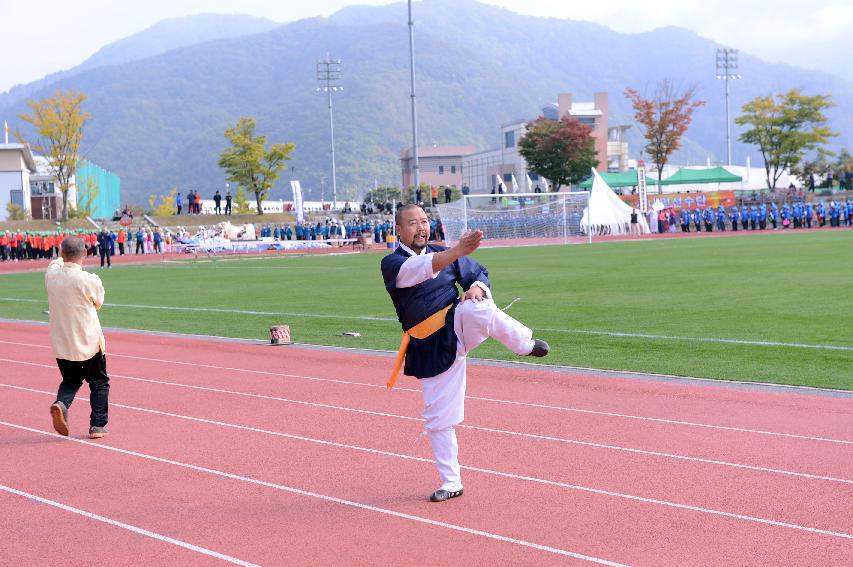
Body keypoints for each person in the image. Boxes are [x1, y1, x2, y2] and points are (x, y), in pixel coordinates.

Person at [380, 204, 549, 502]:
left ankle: (524, 344)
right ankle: (452, 481)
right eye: (412, 223)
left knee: (477, 305)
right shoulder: (392, 263)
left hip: (459, 324)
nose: (421, 227)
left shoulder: (446, 252)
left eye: (424, 221)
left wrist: (477, 288)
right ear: (398, 229)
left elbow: (477, 272)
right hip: (429, 345)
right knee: (438, 419)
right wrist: (457, 250)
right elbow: (424, 268)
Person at [45, 235, 110, 439]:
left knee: (71, 380)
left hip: (62, 342)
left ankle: (62, 403)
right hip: (88, 340)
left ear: (62, 254)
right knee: (99, 382)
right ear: (85, 253)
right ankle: (98, 426)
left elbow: (54, 263)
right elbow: (98, 302)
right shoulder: (88, 279)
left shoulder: (52, 276)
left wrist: (60, 256)